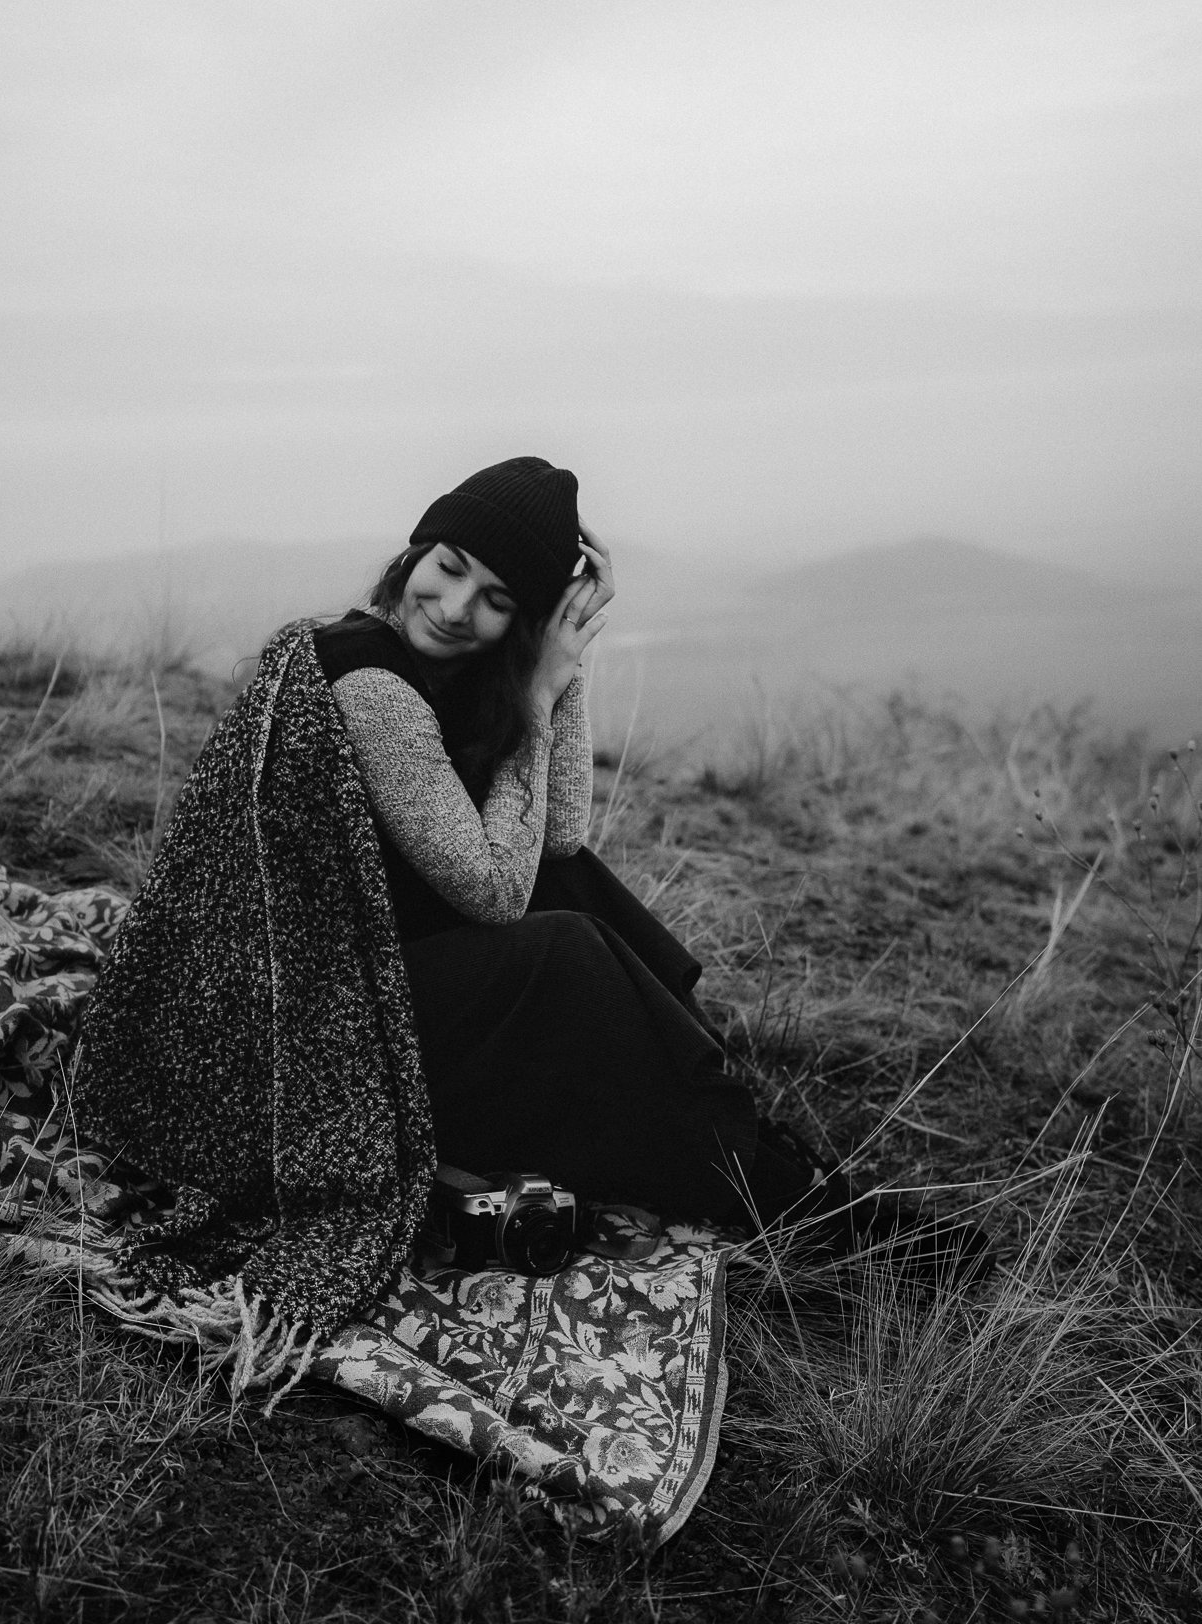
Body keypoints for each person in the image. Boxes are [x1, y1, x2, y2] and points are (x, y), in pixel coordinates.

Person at [71, 456, 990, 1344]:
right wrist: (542, 689)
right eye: (448, 567)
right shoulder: (368, 679)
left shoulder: (454, 673)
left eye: (498, 600)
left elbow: (559, 837)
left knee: (580, 890)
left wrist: (561, 664)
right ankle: (792, 1202)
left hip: (361, 981)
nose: (455, 607)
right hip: (299, 1034)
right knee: (564, 951)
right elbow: (494, 890)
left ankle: (739, 1145)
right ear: (415, 551)